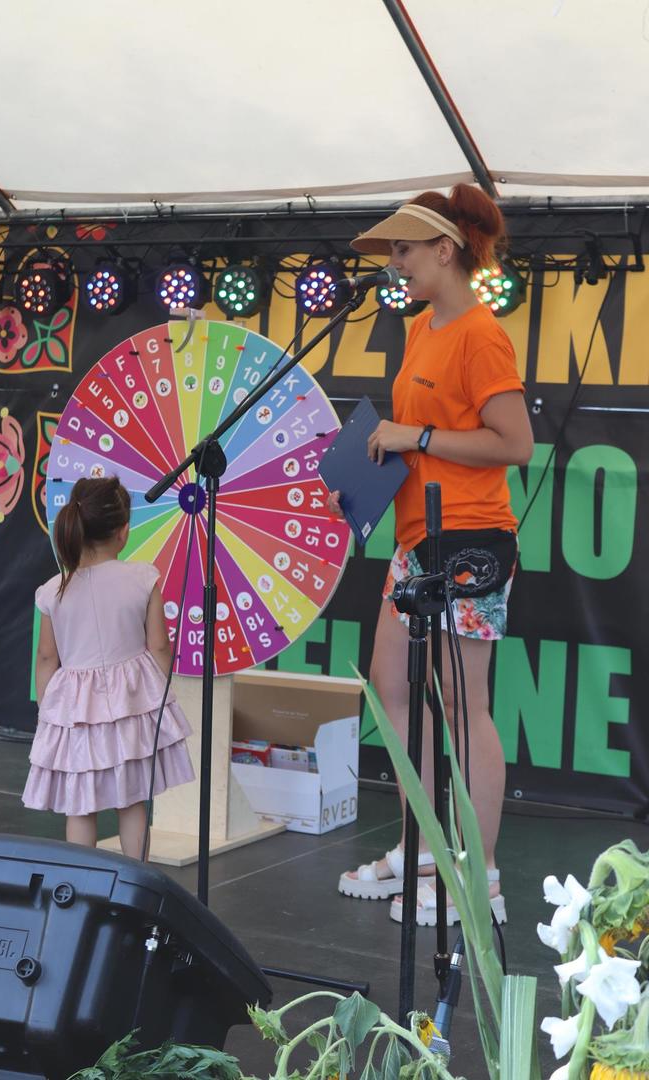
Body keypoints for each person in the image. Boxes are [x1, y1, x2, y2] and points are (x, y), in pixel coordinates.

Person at [331, 184, 534, 926]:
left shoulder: (482, 334)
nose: (395, 262)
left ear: (445, 250)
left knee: (463, 704)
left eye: (405, 249)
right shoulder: (420, 327)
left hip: (472, 541)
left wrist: (413, 437)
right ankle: (422, 850)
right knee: (389, 684)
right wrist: (368, 472)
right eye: (392, 251)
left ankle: (481, 878)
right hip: (415, 537)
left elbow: (515, 444)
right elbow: (418, 433)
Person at [22, 475, 194, 859]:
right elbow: (159, 645)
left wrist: (48, 708)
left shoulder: (53, 590)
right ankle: (138, 877)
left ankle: (82, 880)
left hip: (76, 711)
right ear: (123, 531)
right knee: (132, 800)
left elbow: (47, 657)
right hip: (129, 704)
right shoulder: (143, 578)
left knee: (80, 804)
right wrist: (159, 691)